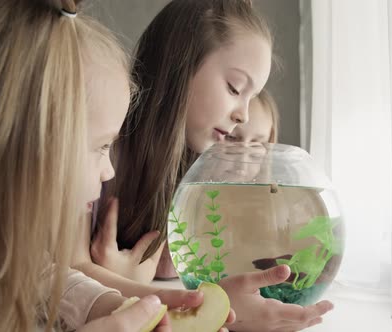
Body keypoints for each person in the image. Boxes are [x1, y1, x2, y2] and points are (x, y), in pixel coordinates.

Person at [0, 0, 171, 331]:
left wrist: (106, 305)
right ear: (27, 141)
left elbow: (42, 278)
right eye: (100, 146)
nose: (108, 171)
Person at [78, 1, 334, 331]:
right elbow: (66, 269)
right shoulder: (97, 151)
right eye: (235, 88)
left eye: (251, 96)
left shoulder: (196, 179)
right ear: (181, 62)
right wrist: (214, 307)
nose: (243, 113)